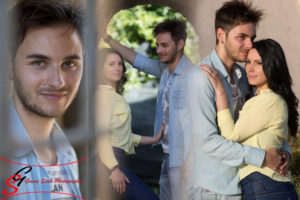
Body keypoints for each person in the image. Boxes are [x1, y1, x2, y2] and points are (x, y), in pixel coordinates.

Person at [183, 1, 292, 199]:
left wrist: (284, 153)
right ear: (221, 35)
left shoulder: (243, 76)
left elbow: (262, 123)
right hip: (214, 190)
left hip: (244, 186)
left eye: (252, 38)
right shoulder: (200, 78)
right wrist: (263, 158)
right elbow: (207, 142)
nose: (249, 45)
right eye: (242, 37)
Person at [103, 19, 194, 200]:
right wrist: (108, 39)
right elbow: (138, 60)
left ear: (180, 43)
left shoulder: (193, 77)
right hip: (168, 158)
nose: (159, 50)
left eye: (164, 45)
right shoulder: (165, 70)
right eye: (157, 45)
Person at [1, 0, 83, 199]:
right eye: (39, 62)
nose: (58, 81)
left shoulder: (66, 150)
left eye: (69, 63)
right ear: (10, 66)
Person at [201, 38, 299, 200]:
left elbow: (230, 137)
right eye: (248, 62)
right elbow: (272, 140)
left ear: (272, 66)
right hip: (261, 186)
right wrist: (286, 155)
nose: (250, 69)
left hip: (266, 185)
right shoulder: (258, 99)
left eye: (259, 63)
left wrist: (220, 92)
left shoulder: (269, 101)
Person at [95, 48, 162, 200]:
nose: (117, 67)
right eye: (111, 64)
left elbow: (121, 136)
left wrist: (153, 139)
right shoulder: (105, 96)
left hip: (115, 161)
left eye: (120, 64)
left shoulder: (113, 96)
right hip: (108, 164)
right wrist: (113, 169)